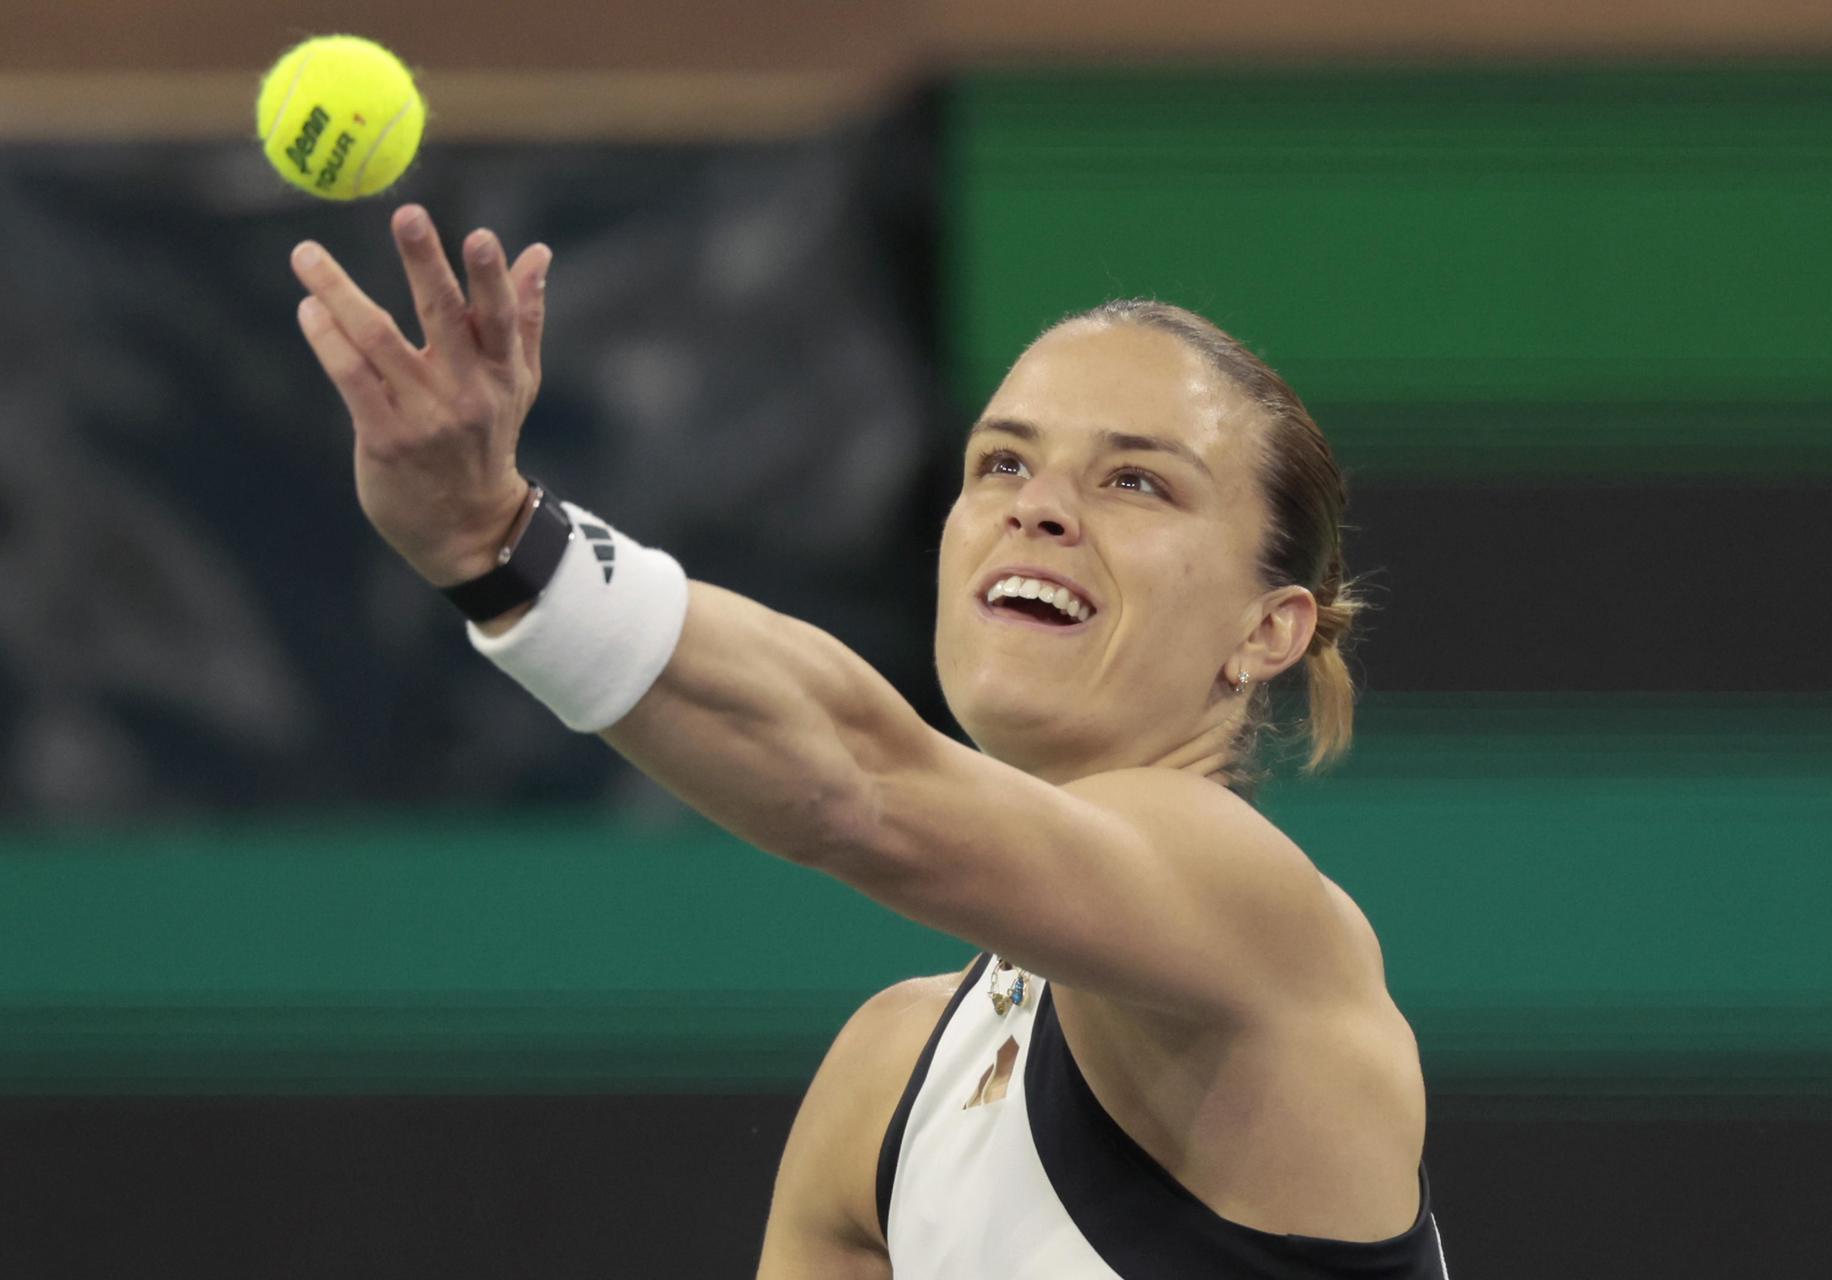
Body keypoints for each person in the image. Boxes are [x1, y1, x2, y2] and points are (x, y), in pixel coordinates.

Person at [289, 204, 1450, 1279]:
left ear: (1268, 630)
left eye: (1137, 480)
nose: (1036, 507)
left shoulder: (1252, 910)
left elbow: (858, 779)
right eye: (1000, 460)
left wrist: (500, 541)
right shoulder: (885, 1077)